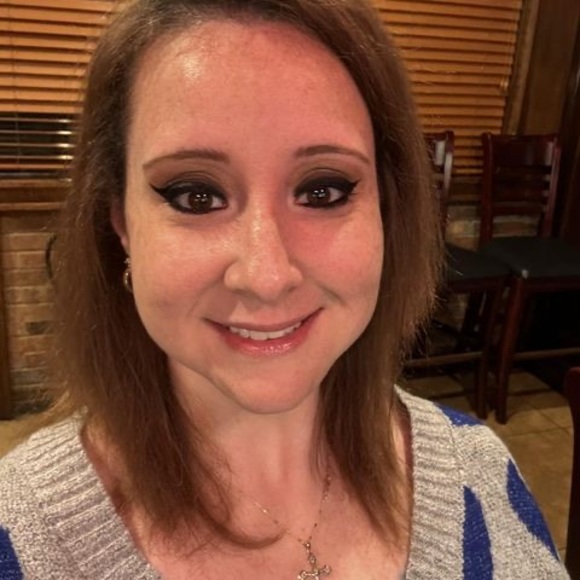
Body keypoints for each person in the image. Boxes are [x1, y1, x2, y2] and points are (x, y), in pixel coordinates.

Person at [0, 0, 568, 578]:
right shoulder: (20, 537)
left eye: (323, 191)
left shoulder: (481, 475)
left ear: (387, 210)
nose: (267, 276)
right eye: (197, 195)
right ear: (120, 221)